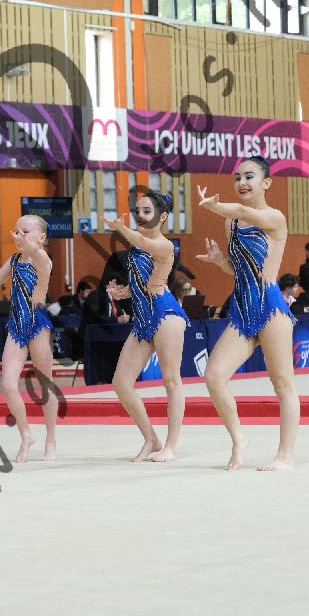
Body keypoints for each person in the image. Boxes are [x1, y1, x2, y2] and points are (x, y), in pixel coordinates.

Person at [197, 156, 299, 471]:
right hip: (242, 309)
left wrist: (215, 206)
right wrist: (220, 261)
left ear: (266, 183)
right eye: (237, 177)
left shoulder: (274, 217)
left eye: (249, 176)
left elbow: (243, 211)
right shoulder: (231, 222)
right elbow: (238, 268)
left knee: (282, 384)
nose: (241, 182)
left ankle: (284, 456)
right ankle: (239, 438)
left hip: (270, 308)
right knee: (214, 376)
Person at [102, 191, 188, 463]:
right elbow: (144, 283)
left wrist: (121, 228)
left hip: (165, 314)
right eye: (137, 210)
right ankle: (151, 439)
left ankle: (171, 446)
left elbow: (141, 241)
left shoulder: (164, 245)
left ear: (162, 217)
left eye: (146, 211)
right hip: (143, 318)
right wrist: (123, 292)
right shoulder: (137, 247)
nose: (139, 215)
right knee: (121, 383)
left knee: (171, 380)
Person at [0, 215, 59, 462]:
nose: (18, 236)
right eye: (16, 231)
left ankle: (50, 440)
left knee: (44, 384)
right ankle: (26, 434)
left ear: (41, 237)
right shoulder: (14, 260)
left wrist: (28, 243)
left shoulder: (43, 259)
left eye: (25, 232)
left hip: (38, 325)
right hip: (16, 326)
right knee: (8, 384)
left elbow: (37, 254)